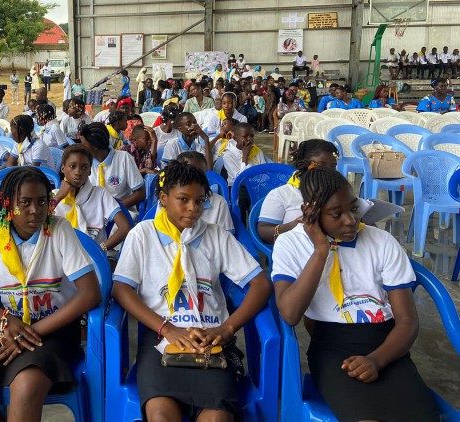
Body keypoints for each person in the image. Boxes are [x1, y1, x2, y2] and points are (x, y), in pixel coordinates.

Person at [271, 166, 440, 422]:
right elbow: (290, 313)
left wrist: (377, 360)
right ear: (311, 213)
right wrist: (320, 250)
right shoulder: (291, 243)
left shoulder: (381, 241)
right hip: (333, 349)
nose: (350, 220)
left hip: (388, 344)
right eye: (336, 214)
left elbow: (407, 322)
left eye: (353, 208)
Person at [111, 161, 271, 422]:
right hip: (161, 340)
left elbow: (261, 284)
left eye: (200, 201)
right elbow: (122, 289)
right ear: (163, 198)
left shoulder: (216, 235)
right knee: (161, 416)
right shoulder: (144, 234)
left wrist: (227, 328)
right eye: (183, 199)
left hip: (212, 340)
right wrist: (168, 329)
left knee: (218, 418)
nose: (193, 209)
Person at [0, 166, 100, 422]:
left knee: (27, 386)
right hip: (9, 323)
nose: (35, 210)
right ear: (7, 204)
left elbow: (90, 293)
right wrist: (2, 318)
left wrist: (32, 332)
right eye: (25, 202)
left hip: (55, 328)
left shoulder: (58, 229)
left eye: (42, 202)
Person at [257, 139, 338, 244]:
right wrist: (297, 224)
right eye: (321, 165)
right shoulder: (282, 194)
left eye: (333, 166)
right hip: (297, 252)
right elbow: (264, 232)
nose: (329, 171)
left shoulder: (338, 192)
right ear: (304, 164)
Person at [54, 144, 131, 250]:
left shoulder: (100, 194)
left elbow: (124, 227)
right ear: (63, 168)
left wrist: (100, 249)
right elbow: (41, 226)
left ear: (90, 171)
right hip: (60, 255)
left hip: (92, 257)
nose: (78, 172)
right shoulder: (54, 196)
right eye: (72, 166)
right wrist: (58, 197)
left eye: (84, 167)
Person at [79, 122, 145, 217]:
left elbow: (140, 193)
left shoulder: (124, 158)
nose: (82, 147)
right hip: (94, 213)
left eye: (84, 144)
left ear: (95, 146)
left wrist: (114, 209)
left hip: (122, 211)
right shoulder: (85, 162)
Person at [222, 122, 265, 187]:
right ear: (235, 138)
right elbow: (240, 180)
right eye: (245, 136)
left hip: (256, 186)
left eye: (252, 136)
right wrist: (245, 156)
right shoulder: (228, 156)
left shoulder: (257, 152)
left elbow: (264, 170)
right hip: (238, 189)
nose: (249, 139)